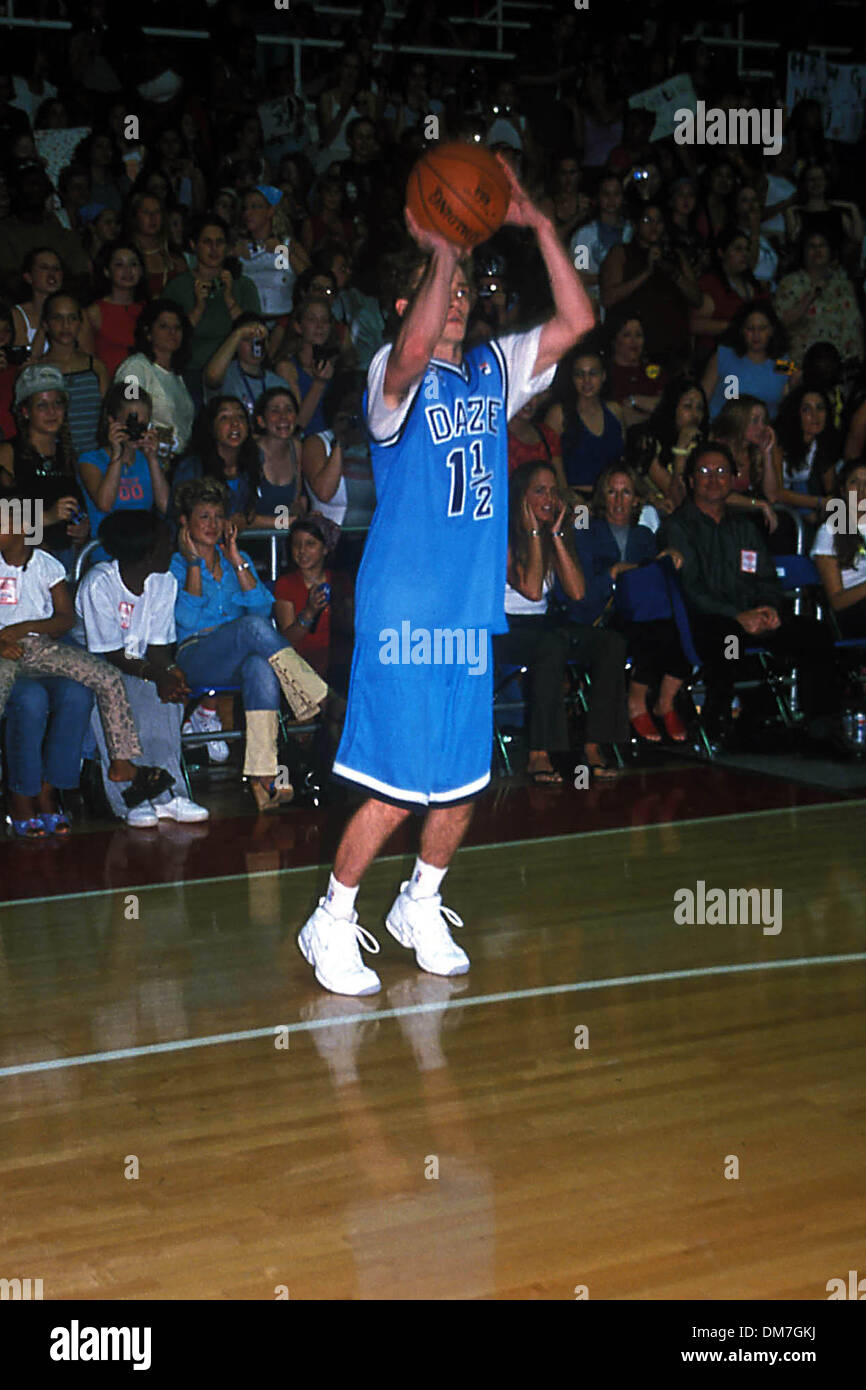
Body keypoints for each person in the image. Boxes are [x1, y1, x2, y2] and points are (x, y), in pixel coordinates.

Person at [296, 152, 594, 997]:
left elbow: (577, 320)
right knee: (396, 786)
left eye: (467, 291)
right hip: (402, 610)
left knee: (463, 780)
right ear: (406, 304)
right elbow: (419, 340)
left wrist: (535, 221)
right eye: (446, 289)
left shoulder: (496, 372)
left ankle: (419, 903)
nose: (462, 301)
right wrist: (445, 249)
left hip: (469, 610)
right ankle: (331, 917)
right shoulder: (390, 381)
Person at [0, 489, 174, 825]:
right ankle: (19, 793)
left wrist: (25, 628)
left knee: (105, 676)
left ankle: (122, 761)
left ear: (22, 526)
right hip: (2, 652)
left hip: (39, 648)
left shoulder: (47, 566)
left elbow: (65, 619)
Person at [658, 442, 837, 744]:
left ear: (732, 479)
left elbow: (767, 578)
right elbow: (692, 589)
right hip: (706, 621)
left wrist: (769, 609)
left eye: (721, 472)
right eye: (704, 472)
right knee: (729, 640)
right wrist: (738, 615)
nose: (713, 479)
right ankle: (718, 721)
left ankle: (819, 728)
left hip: (753, 617)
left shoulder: (745, 527)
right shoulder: (677, 527)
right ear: (691, 481)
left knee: (817, 634)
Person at [171, 476, 323, 811]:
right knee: (252, 630)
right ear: (186, 523)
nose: (213, 524)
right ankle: (312, 694)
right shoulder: (175, 565)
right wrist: (195, 564)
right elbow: (185, 621)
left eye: (217, 516)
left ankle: (263, 777)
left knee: (260, 668)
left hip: (239, 651)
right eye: (204, 517)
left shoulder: (235, 561)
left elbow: (261, 609)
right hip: (195, 654)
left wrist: (237, 558)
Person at [75, 510, 209, 827]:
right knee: (115, 694)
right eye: (165, 544)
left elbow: (159, 647)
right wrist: (156, 675)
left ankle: (169, 794)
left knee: (165, 698)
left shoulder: (164, 581)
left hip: (137, 662)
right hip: (96, 664)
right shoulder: (99, 583)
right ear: (148, 553)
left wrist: (171, 673)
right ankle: (130, 799)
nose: (171, 549)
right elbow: (111, 656)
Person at [566, 465, 691, 741]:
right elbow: (581, 590)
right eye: (612, 493)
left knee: (679, 628)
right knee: (652, 631)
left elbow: (650, 577)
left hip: (638, 610)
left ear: (636, 499)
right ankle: (637, 700)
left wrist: (667, 556)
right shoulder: (587, 529)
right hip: (600, 612)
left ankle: (665, 701)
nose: (619, 501)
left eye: (626, 493)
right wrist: (613, 573)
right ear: (602, 497)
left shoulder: (644, 535)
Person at [493, 461, 584, 785]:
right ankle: (539, 755)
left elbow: (576, 592)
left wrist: (557, 536)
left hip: (541, 625)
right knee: (550, 646)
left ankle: (596, 749)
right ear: (521, 497)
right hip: (502, 628)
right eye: (539, 491)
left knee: (610, 644)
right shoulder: (501, 533)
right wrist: (532, 532)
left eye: (553, 491)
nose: (549, 498)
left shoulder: (552, 532)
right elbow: (531, 589)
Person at [0, 364, 89, 571]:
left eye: (57, 403)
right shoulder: (7, 453)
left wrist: (82, 529)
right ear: (25, 411)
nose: (52, 412)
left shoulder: (67, 454)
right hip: (22, 565)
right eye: (42, 405)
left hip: (65, 562)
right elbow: (3, 520)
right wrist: (48, 517)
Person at [164, 213, 262, 399]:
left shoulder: (243, 285)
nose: (214, 248)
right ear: (194, 245)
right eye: (207, 242)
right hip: (190, 373)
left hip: (236, 372)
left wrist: (230, 299)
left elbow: (257, 335)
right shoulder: (178, 287)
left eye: (220, 242)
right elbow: (170, 338)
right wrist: (198, 308)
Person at [599, 201, 701, 371]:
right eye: (647, 220)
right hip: (633, 351)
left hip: (673, 350)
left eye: (659, 221)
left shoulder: (676, 255)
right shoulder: (621, 252)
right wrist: (646, 272)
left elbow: (697, 299)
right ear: (635, 224)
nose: (654, 226)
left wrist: (674, 273)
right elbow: (608, 298)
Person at [78, 383, 170, 560]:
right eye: (132, 423)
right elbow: (105, 504)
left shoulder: (147, 461)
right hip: (106, 556)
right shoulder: (90, 461)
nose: (137, 431)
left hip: (142, 555)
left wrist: (152, 459)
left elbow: (165, 506)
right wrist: (117, 455)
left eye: (143, 425)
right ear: (112, 421)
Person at [274, 513, 353, 688]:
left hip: (337, 658)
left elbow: (349, 627)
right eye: (296, 545)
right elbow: (287, 640)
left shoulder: (340, 580)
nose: (302, 551)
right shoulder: (286, 584)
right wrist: (309, 613)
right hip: (302, 659)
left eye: (310, 544)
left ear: (325, 548)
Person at [113, 298, 196, 458]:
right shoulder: (135, 368)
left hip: (176, 460)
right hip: (145, 458)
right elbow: (129, 415)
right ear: (148, 333)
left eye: (177, 327)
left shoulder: (177, 375)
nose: (172, 333)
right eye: (164, 327)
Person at [774, 231, 864, 371]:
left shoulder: (844, 283)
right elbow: (780, 323)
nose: (817, 250)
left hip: (844, 367)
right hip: (802, 368)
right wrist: (810, 297)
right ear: (803, 252)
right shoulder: (789, 283)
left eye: (822, 246)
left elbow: (857, 324)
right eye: (812, 246)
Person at [544, 348, 623, 500]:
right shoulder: (559, 414)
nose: (586, 381)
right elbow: (551, 467)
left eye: (593, 373)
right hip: (575, 500)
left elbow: (621, 462)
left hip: (611, 500)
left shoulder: (614, 411)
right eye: (580, 374)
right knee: (583, 523)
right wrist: (568, 498)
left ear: (603, 376)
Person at [171, 395, 257, 533]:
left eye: (240, 417)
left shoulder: (252, 466)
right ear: (211, 426)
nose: (235, 423)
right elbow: (178, 519)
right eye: (224, 418)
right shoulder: (192, 468)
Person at [40, 292, 108, 457]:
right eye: (58, 318)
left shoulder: (96, 367)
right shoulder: (37, 370)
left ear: (80, 324)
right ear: (46, 324)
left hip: (94, 459)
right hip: (54, 460)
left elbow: (107, 417)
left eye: (72, 318)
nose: (66, 325)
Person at [701, 302, 791, 422]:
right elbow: (700, 399)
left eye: (762, 329)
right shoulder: (722, 356)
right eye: (750, 329)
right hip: (720, 431)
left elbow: (792, 392)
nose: (756, 335)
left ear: (772, 331)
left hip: (762, 435)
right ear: (741, 331)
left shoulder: (783, 362)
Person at [233, 185, 310, 322]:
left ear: (270, 211)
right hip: (248, 323)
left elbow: (310, 278)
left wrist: (284, 251)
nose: (248, 213)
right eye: (245, 208)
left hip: (283, 323)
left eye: (255, 207)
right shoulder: (237, 247)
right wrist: (232, 255)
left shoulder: (288, 244)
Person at [691, 227, 769, 359]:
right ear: (721, 252)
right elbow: (695, 325)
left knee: (791, 370)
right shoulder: (710, 284)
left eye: (747, 249)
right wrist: (735, 328)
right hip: (720, 358)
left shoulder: (756, 286)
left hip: (757, 356)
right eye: (738, 249)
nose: (745, 254)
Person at [811, 458, 866, 637]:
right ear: (842, 490)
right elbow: (836, 601)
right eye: (854, 482)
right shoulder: (830, 530)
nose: (861, 489)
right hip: (852, 611)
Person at [79, 240, 146, 378]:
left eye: (133, 264)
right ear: (107, 271)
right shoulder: (94, 312)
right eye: (119, 264)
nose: (128, 270)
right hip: (112, 389)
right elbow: (87, 363)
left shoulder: (150, 310)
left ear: (141, 271)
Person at [203, 312, 289, 413]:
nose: (255, 346)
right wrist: (239, 333)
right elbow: (212, 377)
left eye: (260, 341)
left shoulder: (277, 383)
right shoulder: (226, 374)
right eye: (248, 340)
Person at [568, 172, 632, 308]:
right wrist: (611, 280)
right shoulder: (584, 236)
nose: (611, 199)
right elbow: (581, 275)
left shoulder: (632, 231)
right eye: (606, 194)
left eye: (616, 193)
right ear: (598, 197)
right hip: (594, 305)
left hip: (627, 302)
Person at [249, 386, 308, 527]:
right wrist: (285, 523)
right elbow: (240, 518)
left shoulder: (296, 447)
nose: (283, 417)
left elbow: (295, 504)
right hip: (247, 541)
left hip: (283, 540)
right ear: (261, 421)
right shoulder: (250, 451)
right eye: (275, 410)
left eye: (289, 410)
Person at [128, 191, 187, 299]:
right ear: (135, 217)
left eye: (157, 212)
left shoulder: (175, 259)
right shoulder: (125, 257)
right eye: (146, 212)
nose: (152, 217)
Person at [11, 245, 64, 357]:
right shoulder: (17, 315)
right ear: (28, 277)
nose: (52, 274)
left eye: (56, 269)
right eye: (44, 268)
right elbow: (25, 362)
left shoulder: (75, 311)